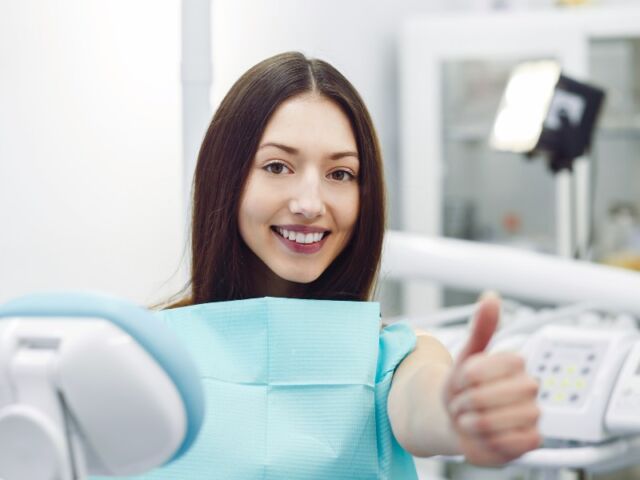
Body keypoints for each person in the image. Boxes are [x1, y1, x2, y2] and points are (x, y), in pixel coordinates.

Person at [168, 51, 540, 468]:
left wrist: (457, 412)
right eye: (277, 166)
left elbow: (424, 401)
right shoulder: (147, 351)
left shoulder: (391, 359)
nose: (310, 203)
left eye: (340, 174)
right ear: (225, 176)